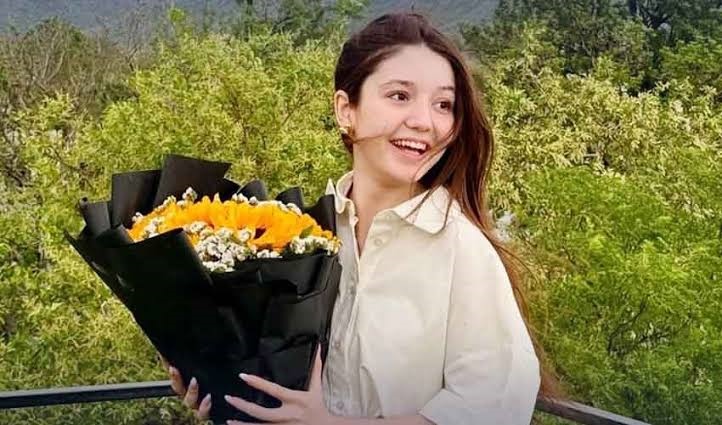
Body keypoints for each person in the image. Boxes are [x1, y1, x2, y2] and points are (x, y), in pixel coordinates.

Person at [166, 12, 561, 425]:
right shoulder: (302, 234)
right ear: (345, 110)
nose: (425, 122)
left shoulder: (461, 250)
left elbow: (493, 409)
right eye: (400, 96)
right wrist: (218, 382)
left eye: (444, 105)